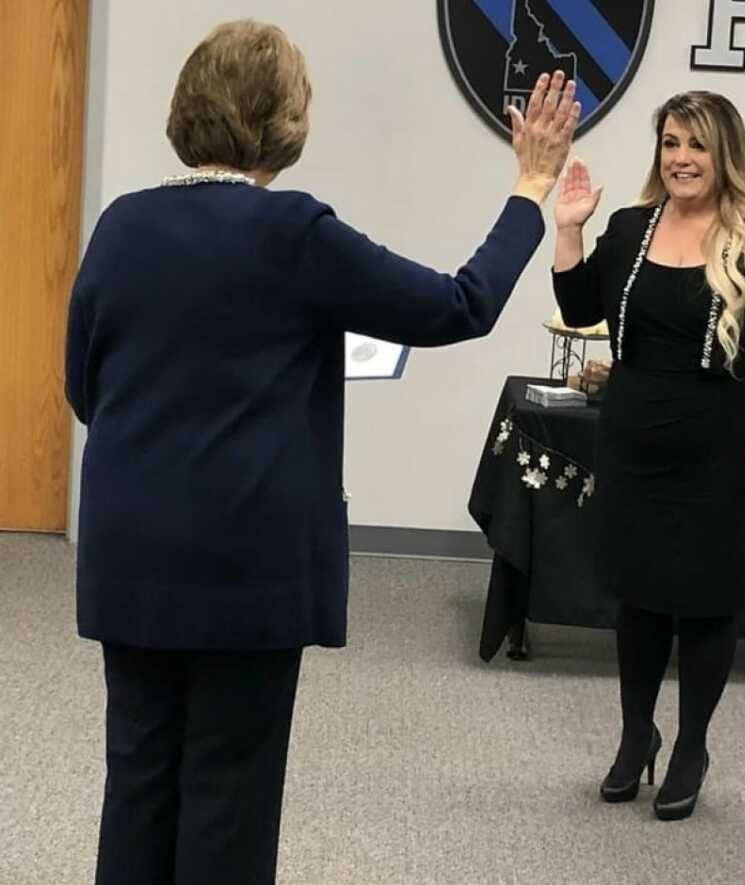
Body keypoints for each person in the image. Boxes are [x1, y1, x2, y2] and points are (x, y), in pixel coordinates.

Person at [65, 20, 579, 884]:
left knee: (140, 782)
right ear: (284, 120)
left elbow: (86, 387)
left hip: (131, 555)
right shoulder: (295, 232)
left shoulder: (121, 225)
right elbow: (461, 304)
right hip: (247, 564)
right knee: (229, 794)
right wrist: (531, 187)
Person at [552, 91, 745, 821]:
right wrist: (569, 230)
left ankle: (692, 744)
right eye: (670, 143)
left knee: (704, 599)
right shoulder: (632, 226)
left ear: (723, 152)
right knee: (638, 595)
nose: (680, 159)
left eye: (695, 145)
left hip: (721, 440)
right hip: (632, 435)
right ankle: (638, 735)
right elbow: (579, 311)